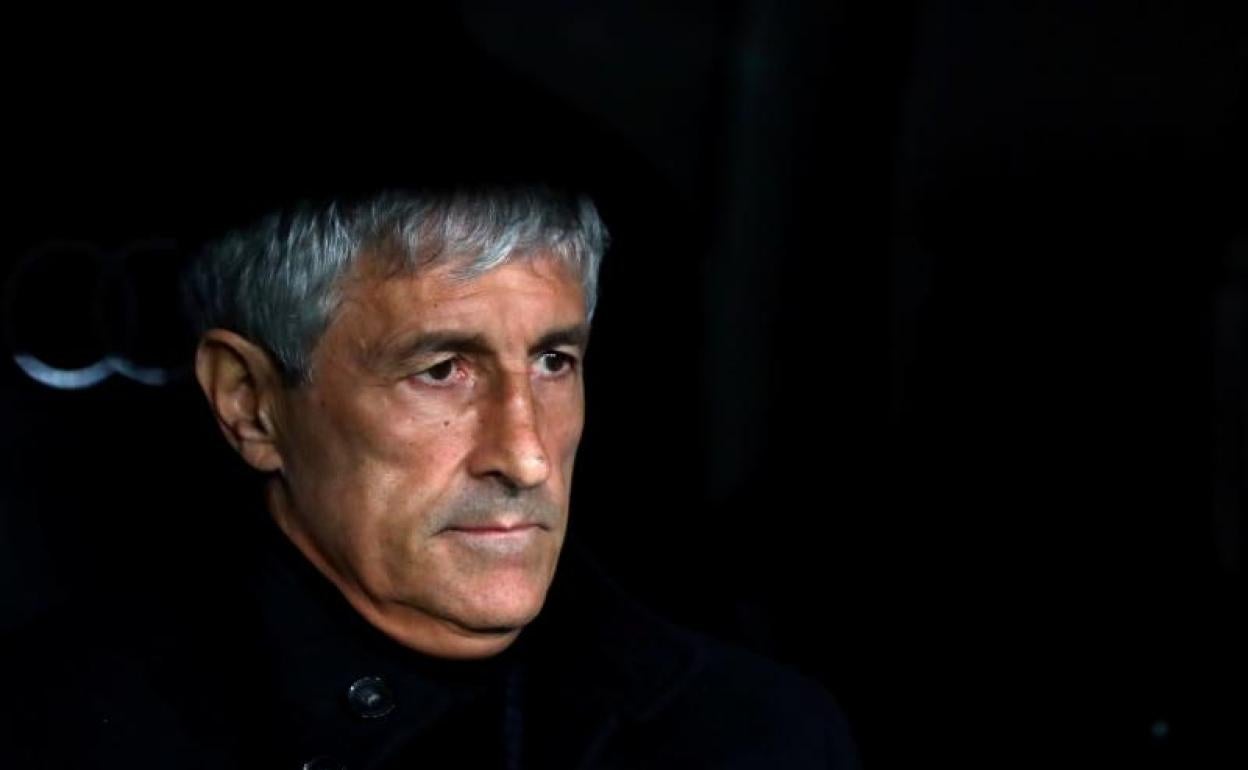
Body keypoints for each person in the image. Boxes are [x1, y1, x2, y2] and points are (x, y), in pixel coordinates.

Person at [2, 185, 859, 768]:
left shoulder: (757, 734)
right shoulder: (64, 731)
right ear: (251, 404)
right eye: (442, 370)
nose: (526, 455)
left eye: (554, 361)